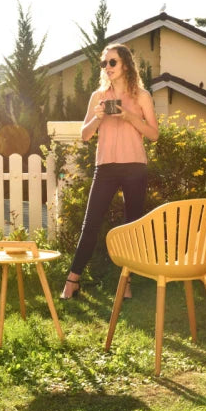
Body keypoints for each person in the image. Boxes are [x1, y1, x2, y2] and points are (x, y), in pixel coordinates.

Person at [61, 44, 159, 300]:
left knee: (131, 226)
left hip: (134, 167)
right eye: (104, 63)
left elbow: (154, 134)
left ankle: (125, 282)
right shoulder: (98, 96)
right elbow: (85, 135)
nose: (107, 67)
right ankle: (72, 280)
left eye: (112, 62)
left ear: (125, 64)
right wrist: (99, 117)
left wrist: (128, 116)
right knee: (90, 224)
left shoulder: (142, 96)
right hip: (104, 167)